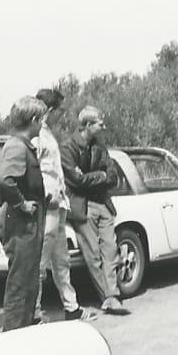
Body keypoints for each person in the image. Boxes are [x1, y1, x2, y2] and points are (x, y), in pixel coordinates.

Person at [32, 88, 96, 322]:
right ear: (50, 110)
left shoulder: (47, 134)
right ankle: (34, 311)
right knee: (41, 261)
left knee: (62, 260)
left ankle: (71, 307)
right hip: (47, 205)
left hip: (58, 205)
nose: (61, 115)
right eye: (59, 110)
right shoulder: (37, 136)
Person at [60, 106, 129, 316]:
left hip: (102, 203)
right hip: (83, 206)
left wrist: (93, 176)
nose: (103, 126)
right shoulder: (68, 147)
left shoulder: (99, 146)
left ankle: (111, 295)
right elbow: (76, 180)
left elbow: (113, 176)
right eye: (100, 122)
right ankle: (108, 297)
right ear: (88, 125)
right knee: (93, 253)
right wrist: (99, 176)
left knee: (111, 249)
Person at [0, 96, 49, 332]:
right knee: (20, 281)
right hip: (20, 223)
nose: (42, 125)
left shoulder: (23, 146)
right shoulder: (17, 146)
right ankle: (14, 334)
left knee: (29, 280)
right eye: (42, 120)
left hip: (29, 222)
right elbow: (5, 181)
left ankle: (23, 331)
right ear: (34, 120)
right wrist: (22, 205)